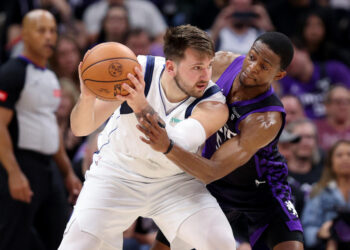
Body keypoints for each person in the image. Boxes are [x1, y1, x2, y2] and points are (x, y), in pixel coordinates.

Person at [59, 24, 236, 250]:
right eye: (197, 67)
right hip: (116, 175)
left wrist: (140, 105)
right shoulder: (136, 71)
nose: (205, 76)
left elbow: (176, 143)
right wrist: (86, 98)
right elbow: (80, 128)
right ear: (170, 67)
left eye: (209, 66)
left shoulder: (214, 103)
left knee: (222, 244)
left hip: (174, 183)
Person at [137, 32, 304, 249]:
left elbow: (213, 169)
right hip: (212, 187)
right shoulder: (222, 63)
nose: (253, 67)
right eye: (252, 57)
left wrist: (167, 146)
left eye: (264, 67)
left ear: (278, 75)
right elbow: (178, 78)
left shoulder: (266, 118)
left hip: (262, 192)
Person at [0, 9, 82, 250]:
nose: (49, 37)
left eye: (53, 31)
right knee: (13, 239)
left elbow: (50, 126)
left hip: (49, 169)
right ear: (25, 35)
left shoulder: (50, 77)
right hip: (19, 165)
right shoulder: (12, 73)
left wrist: (67, 172)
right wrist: (13, 173)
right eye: (41, 30)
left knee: (62, 239)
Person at [302, 140, 350, 250]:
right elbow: (308, 227)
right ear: (330, 162)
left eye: (349, 154)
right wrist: (319, 232)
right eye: (339, 155)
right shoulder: (319, 191)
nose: (345, 159)